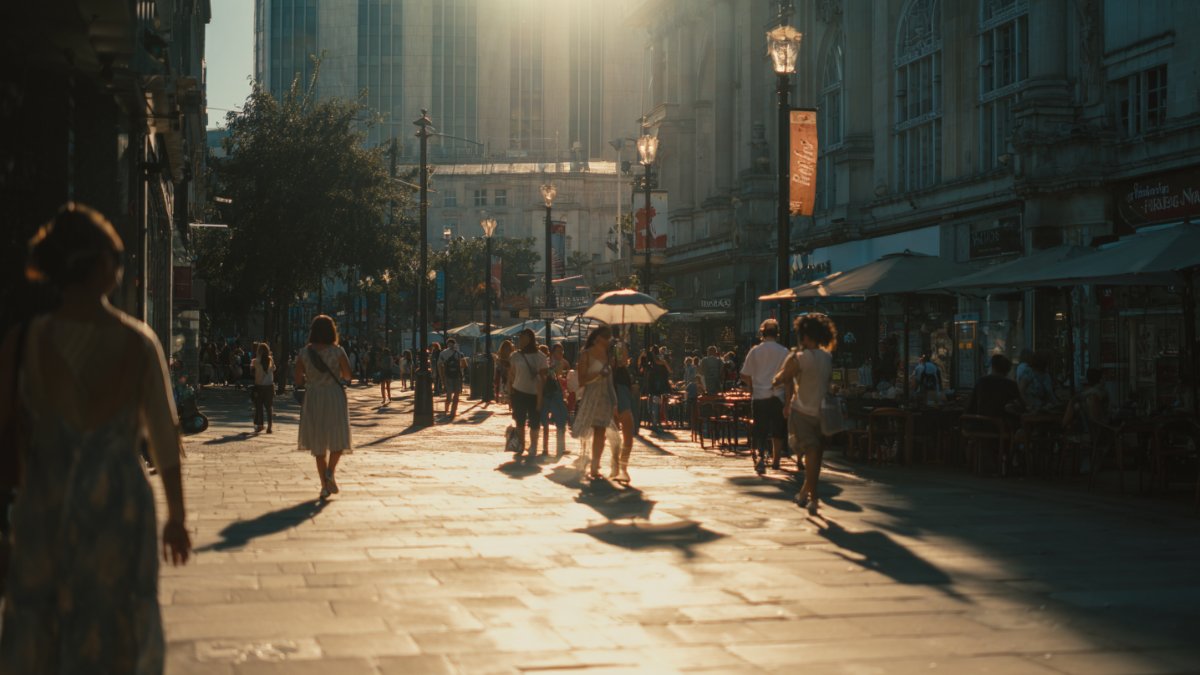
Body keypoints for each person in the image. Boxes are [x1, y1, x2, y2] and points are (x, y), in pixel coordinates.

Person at [0, 203, 191, 672]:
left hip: (45, 504)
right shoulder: (138, 341)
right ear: (103, 266)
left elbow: (5, 431)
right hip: (119, 509)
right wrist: (177, 518)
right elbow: (165, 440)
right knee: (117, 625)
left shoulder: (23, 342)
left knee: (44, 627)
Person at [772, 313, 837, 515]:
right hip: (821, 412)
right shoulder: (827, 357)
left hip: (801, 411)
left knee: (810, 453)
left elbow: (781, 378)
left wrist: (777, 378)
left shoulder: (799, 358)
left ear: (805, 337)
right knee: (815, 456)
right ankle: (805, 493)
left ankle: (814, 497)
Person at [295, 314, 354, 500]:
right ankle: (330, 472)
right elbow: (348, 375)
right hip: (334, 396)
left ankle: (324, 487)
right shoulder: (337, 351)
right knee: (338, 437)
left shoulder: (305, 353)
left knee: (318, 444)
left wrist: (311, 378)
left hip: (314, 397)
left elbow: (297, 380)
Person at [741, 319, 790, 473]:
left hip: (760, 396)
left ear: (762, 333)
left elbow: (744, 374)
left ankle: (761, 457)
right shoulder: (784, 352)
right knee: (778, 429)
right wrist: (788, 402)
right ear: (777, 334)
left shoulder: (755, 351)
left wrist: (751, 387)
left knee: (760, 429)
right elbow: (789, 378)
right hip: (778, 396)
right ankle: (776, 460)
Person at [573, 326, 616, 480]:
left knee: (601, 431)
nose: (609, 341)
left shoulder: (608, 354)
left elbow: (612, 378)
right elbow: (581, 380)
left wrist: (614, 399)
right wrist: (599, 373)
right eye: (607, 338)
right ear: (598, 338)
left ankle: (595, 464)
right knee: (590, 431)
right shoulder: (586, 355)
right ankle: (590, 461)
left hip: (605, 397)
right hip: (591, 396)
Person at [507, 329, 544, 460]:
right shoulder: (515, 355)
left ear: (530, 339)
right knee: (520, 421)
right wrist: (509, 394)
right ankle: (521, 445)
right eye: (520, 338)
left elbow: (543, 377)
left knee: (534, 422)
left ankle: (533, 445)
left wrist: (541, 398)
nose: (520, 340)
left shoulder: (540, 356)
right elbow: (511, 375)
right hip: (518, 391)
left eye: (523, 338)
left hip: (535, 393)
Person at [608, 329, 636, 482]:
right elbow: (621, 362)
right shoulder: (615, 347)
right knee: (623, 431)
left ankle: (620, 466)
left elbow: (623, 362)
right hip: (617, 388)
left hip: (621, 387)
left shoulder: (616, 346)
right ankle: (619, 466)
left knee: (622, 433)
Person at [966, 353, 1023, 427]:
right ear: (1007, 370)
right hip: (1001, 427)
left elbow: (970, 407)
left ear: (992, 367)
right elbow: (1021, 407)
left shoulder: (981, 382)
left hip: (980, 426)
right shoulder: (1011, 384)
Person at [540, 343, 570, 457]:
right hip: (548, 393)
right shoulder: (549, 362)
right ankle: (549, 448)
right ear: (552, 353)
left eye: (562, 352)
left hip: (554, 393)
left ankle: (557, 447)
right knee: (551, 420)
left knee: (560, 419)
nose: (561, 354)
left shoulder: (560, 362)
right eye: (559, 352)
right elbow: (549, 375)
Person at [439, 337, 468, 418]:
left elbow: (439, 365)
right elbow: (465, 365)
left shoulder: (443, 353)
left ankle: (447, 409)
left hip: (448, 376)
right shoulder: (459, 353)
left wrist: (441, 376)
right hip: (457, 376)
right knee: (456, 394)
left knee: (449, 393)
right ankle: (453, 411)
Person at [646, 345, 673, 431]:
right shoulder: (660, 360)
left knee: (656, 404)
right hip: (660, 385)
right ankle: (658, 422)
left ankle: (655, 422)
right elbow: (670, 370)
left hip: (655, 385)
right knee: (658, 404)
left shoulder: (655, 360)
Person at [252, 342, 276, 433]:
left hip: (259, 386)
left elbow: (252, 371)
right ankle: (269, 426)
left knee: (259, 406)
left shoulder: (255, 361)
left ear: (259, 351)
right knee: (269, 407)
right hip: (269, 386)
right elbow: (274, 369)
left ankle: (260, 425)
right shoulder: (271, 360)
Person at [495, 340, 514, 405]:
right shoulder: (501, 358)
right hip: (503, 376)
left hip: (506, 375)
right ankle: (505, 398)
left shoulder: (512, 356)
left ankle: (507, 399)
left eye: (508, 348)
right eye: (506, 348)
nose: (507, 350)